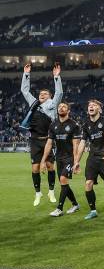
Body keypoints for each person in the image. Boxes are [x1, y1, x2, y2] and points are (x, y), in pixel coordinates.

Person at [21, 62, 63, 206]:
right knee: (35, 168)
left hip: (48, 140)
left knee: (50, 166)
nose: (42, 95)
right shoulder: (34, 103)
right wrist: (26, 74)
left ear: (50, 96)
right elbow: (25, 91)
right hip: (34, 140)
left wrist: (57, 77)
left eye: (45, 94)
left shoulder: (52, 104)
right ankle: (38, 193)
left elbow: (60, 93)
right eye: (40, 94)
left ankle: (51, 191)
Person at [41, 102, 80, 217]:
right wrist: (43, 160)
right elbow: (49, 144)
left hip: (69, 158)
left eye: (64, 107)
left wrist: (76, 161)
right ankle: (75, 204)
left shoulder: (74, 125)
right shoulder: (53, 125)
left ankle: (59, 209)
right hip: (59, 158)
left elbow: (76, 145)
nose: (61, 108)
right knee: (64, 184)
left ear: (68, 111)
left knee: (63, 179)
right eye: (59, 107)